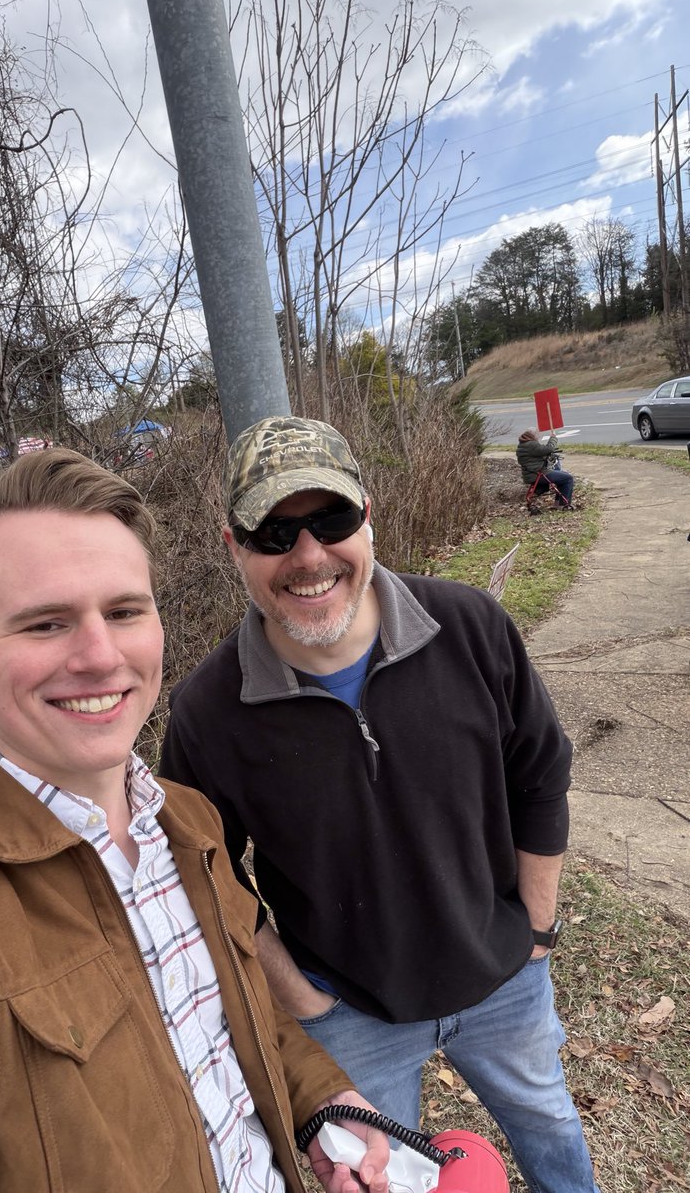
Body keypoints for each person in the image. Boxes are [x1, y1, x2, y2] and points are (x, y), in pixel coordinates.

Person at [0, 448, 391, 1193]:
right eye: (44, 625)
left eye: (124, 611)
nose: (101, 656)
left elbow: (233, 1018)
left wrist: (323, 1100)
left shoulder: (186, 821)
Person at [160, 416, 600, 1193]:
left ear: (368, 516)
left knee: (554, 1135)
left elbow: (540, 775)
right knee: (379, 1184)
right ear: (235, 547)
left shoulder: (470, 628)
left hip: (505, 981)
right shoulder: (208, 711)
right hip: (351, 1018)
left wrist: (536, 927)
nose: (308, 556)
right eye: (275, 533)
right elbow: (206, 874)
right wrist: (304, 1002)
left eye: (330, 520)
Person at [516, 428, 575, 507]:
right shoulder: (531, 445)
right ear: (533, 435)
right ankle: (563, 504)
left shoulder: (522, 445)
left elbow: (537, 454)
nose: (539, 437)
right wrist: (553, 437)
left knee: (562, 476)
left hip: (531, 474)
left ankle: (558, 504)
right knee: (568, 478)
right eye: (537, 435)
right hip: (539, 474)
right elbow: (549, 448)